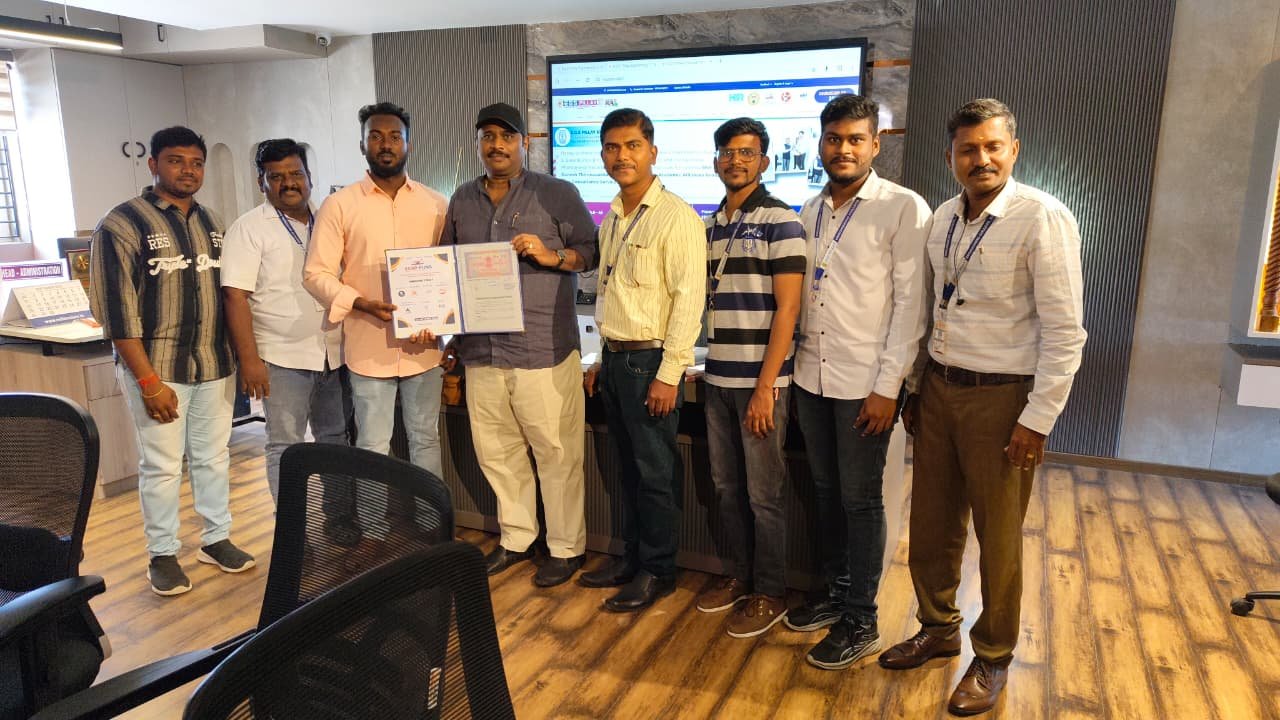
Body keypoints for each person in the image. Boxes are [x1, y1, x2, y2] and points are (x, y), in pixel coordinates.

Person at [880, 98, 1086, 717]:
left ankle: (993, 654)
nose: (982, 159)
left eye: (993, 147)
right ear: (950, 157)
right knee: (932, 526)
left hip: (1003, 399)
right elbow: (932, 310)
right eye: (968, 149)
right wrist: (917, 387)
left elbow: (1066, 333)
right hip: (940, 390)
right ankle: (938, 626)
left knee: (998, 538)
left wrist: (1036, 420)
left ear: (1013, 150)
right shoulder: (944, 216)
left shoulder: (1042, 217)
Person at [784, 94, 931, 670]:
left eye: (854, 139)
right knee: (825, 492)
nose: (843, 149)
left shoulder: (902, 208)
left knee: (861, 500)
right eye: (833, 139)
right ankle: (836, 594)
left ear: (875, 144)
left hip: (865, 382)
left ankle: (861, 619)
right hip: (811, 376)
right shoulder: (809, 208)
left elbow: (910, 306)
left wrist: (889, 386)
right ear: (820, 144)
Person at [89, 126, 255, 597]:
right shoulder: (122, 223)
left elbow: (230, 297)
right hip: (158, 368)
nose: (188, 170)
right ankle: (162, 554)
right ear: (153, 164)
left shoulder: (213, 222)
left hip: (213, 364)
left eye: (196, 162)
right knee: (162, 466)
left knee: (213, 458)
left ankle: (216, 539)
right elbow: (117, 314)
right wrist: (148, 382)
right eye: (176, 161)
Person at [439, 103, 598, 586]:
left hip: (542, 351)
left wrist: (552, 256)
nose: (497, 145)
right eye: (487, 136)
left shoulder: (557, 193)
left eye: (506, 137)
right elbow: (446, 268)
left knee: (557, 455)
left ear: (523, 144)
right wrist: (447, 332)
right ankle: (517, 538)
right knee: (498, 453)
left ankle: (566, 549)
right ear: (478, 144)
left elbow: (591, 253)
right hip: (482, 352)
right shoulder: (462, 199)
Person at [303, 102, 450, 540]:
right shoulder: (339, 205)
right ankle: (373, 531)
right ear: (362, 143)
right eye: (376, 136)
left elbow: (448, 273)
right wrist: (360, 303)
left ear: (409, 143)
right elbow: (315, 274)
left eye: (394, 136)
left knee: (425, 440)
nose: (385, 144)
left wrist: (443, 320)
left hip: (424, 347)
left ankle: (433, 528)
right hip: (368, 345)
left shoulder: (436, 204)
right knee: (372, 444)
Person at [580, 108, 706, 612]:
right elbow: (611, 293)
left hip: (650, 364)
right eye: (612, 147)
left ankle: (658, 571)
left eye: (632, 145)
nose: (622, 156)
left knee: (655, 476)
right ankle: (631, 560)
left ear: (652, 151)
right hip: (616, 361)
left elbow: (688, 302)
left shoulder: (677, 216)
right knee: (629, 471)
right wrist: (598, 359)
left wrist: (669, 374)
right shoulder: (613, 215)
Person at [694, 117, 805, 637]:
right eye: (727, 152)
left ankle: (771, 591)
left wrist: (766, 388)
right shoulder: (710, 224)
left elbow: (788, 310)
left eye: (746, 152)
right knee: (726, 488)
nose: (735, 160)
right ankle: (739, 576)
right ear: (716, 160)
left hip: (762, 386)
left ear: (764, 161)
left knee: (764, 494)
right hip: (717, 378)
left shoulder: (781, 220)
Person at [221, 138, 355, 542]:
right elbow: (235, 296)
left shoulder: (329, 219)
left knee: (336, 440)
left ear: (309, 177)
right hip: (280, 358)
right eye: (276, 177)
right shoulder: (248, 228)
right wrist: (249, 361)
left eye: (296, 174)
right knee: (285, 445)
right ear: (261, 183)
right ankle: (293, 534)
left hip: (335, 352)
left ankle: (339, 520)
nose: (288, 183)